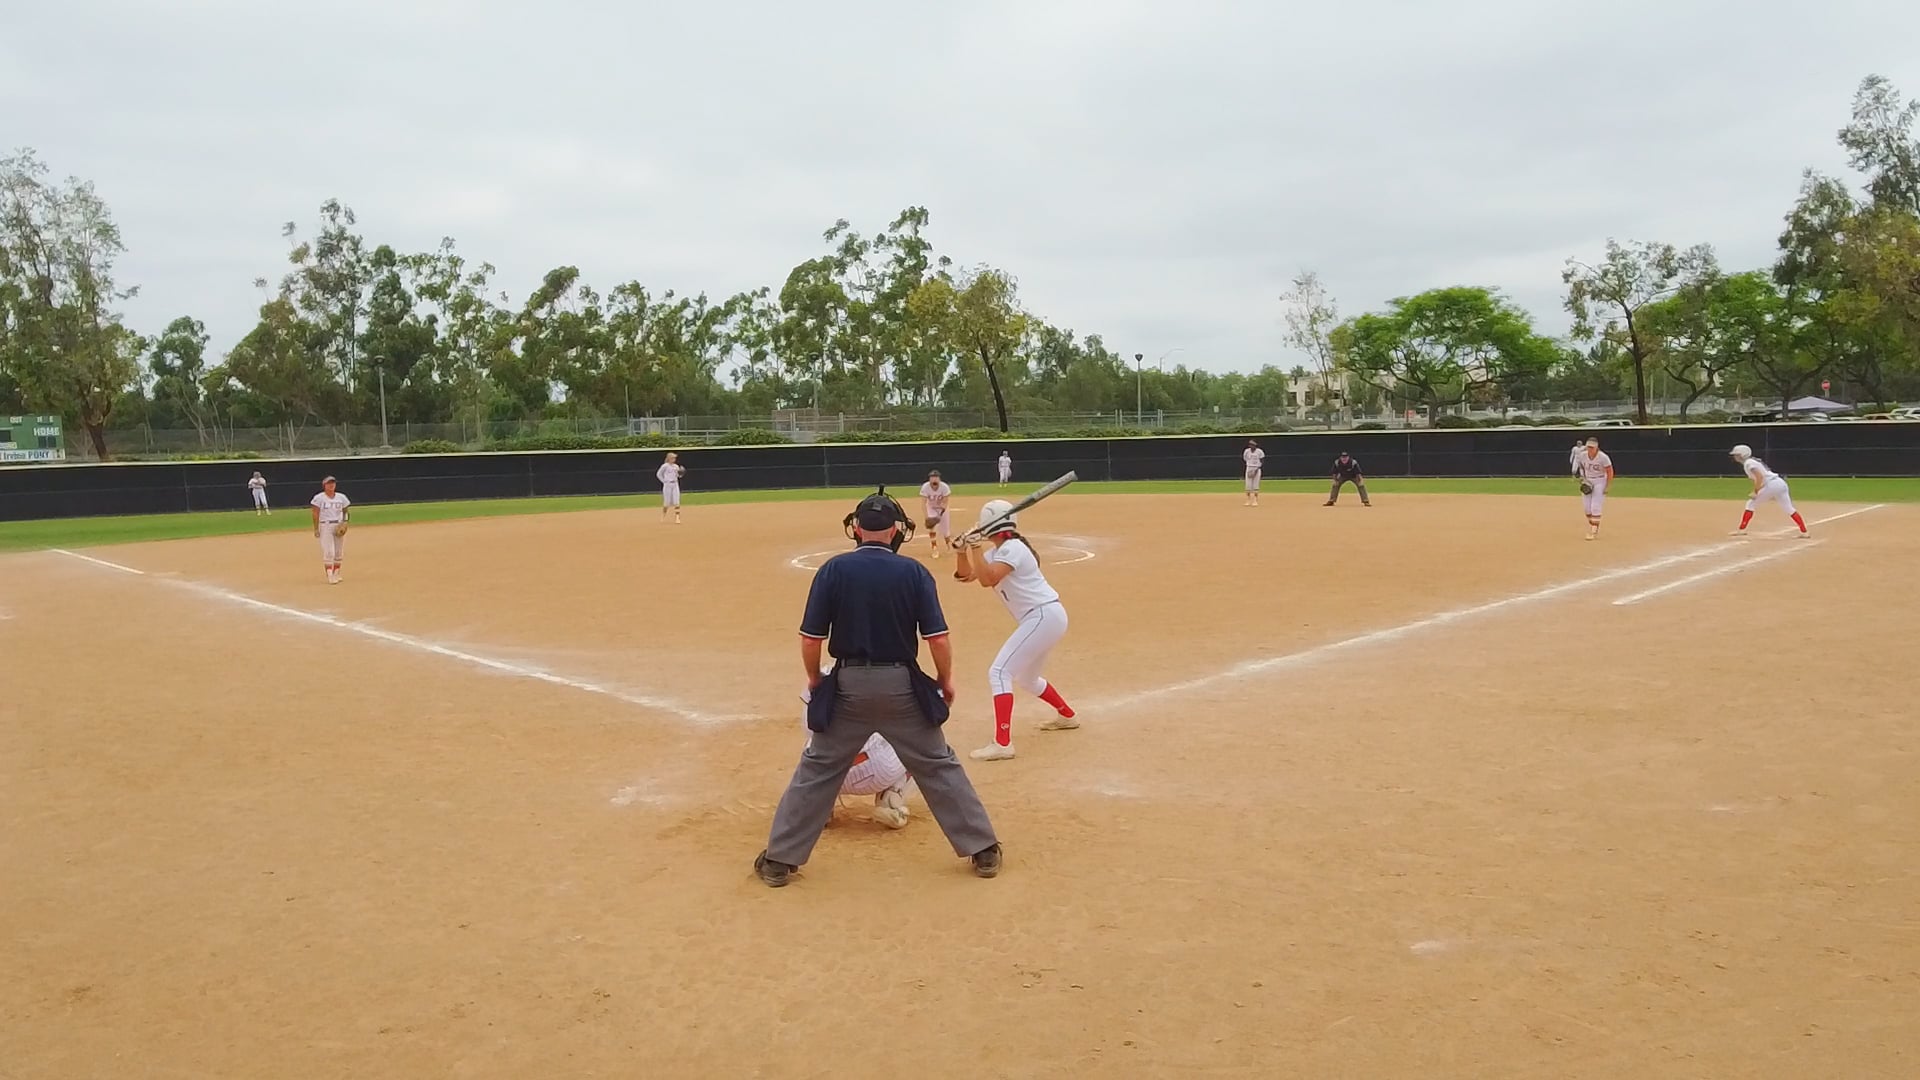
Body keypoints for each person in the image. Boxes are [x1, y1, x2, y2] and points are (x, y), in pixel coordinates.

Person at [755, 489, 1001, 887]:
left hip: (847, 685)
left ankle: (779, 861)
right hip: (901, 686)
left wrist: (816, 679)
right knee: (937, 763)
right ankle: (983, 848)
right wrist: (944, 680)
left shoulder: (833, 570)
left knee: (817, 767)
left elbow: (811, 639)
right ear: (895, 531)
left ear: (855, 529)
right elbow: (937, 639)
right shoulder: (913, 572)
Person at [952, 499, 1077, 762]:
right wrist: (962, 550)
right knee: (1028, 679)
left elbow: (988, 579)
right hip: (1044, 617)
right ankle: (1067, 715)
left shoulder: (1013, 549)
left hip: (1042, 615)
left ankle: (1003, 743)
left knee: (999, 672)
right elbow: (966, 576)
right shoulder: (997, 552)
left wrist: (974, 546)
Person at [800, 671, 917, 829]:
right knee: (919, 744)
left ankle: (821, 804)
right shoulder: (897, 673)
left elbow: (809, 727)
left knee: (813, 745)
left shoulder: (825, 672)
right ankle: (891, 799)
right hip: (880, 771)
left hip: (825, 773)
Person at [1729, 444, 1810, 538]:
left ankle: (1742, 530)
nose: (1735, 457)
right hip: (1780, 483)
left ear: (1743, 455)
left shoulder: (1748, 463)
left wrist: (1756, 492)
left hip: (1771, 484)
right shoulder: (1753, 461)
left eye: (1737, 455)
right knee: (1788, 508)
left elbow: (1759, 476)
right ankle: (1804, 532)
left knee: (1750, 504)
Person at [309, 476, 351, 585]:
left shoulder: (341, 497)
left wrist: (345, 522)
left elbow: (346, 511)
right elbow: (315, 513)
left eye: (333, 483)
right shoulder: (319, 498)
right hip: (325, 525)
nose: (331, 485)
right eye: (329, 483)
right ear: (324, 485)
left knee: (338, 551)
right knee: (329, 551)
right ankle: (330, 575)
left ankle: (336, 573)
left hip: (338, 525)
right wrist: (316, 528)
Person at [1574, 437, 1614, 540]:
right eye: (1588, 447)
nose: (1590, 449)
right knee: (1587, 508)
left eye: (1592, 447)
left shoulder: (1603, 457)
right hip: (1588, 481)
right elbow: (1581, 467)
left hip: (1600, 480)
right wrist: (1582, 478)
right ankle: (1594, 524)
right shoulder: (1582, 455)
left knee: (1595, 506)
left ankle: (1593, 530)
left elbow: (1610, 471)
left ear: (1597, 447)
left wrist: (1607, 486)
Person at [919, 469, 954, 559]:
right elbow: (923, 503)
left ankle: (949, 545)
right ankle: (934, 548)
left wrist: (940, 515)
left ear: (939, 479)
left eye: (936, 477)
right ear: (929, 479)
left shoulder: (944, 487)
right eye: (932, 477)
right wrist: (927, 517)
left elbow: (945, 502)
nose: (934, 479)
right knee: (932, 528)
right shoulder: (925, 487)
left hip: (942, 509)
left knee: (945, 530)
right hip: (931, 508)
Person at [657, 452, 686, 524]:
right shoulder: (665, 466)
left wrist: (681, 474)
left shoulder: (676, 466)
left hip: (675, 484)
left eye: (675, 458)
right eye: (673, 458)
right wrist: (664, 481)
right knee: (667, 503)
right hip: (667, 485)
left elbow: (678, 476)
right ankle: (663, 515)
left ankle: (677, 518)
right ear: (669, 458)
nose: (674, 459)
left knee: (676, 501)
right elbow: (659, 474)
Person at [1242, 440, 1265, 507]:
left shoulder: (1259, 451)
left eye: (1254, 445)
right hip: (1249, 468)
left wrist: (1257, 468)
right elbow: (1245, 459)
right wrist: (1249, 467)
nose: (1252, 446)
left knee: (1256, 484)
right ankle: (1248, 500)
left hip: (1257, 468)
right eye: (1251, 445)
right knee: (1248, 485)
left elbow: (1262, 460)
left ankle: (1255, 500)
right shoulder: (1247, 451)